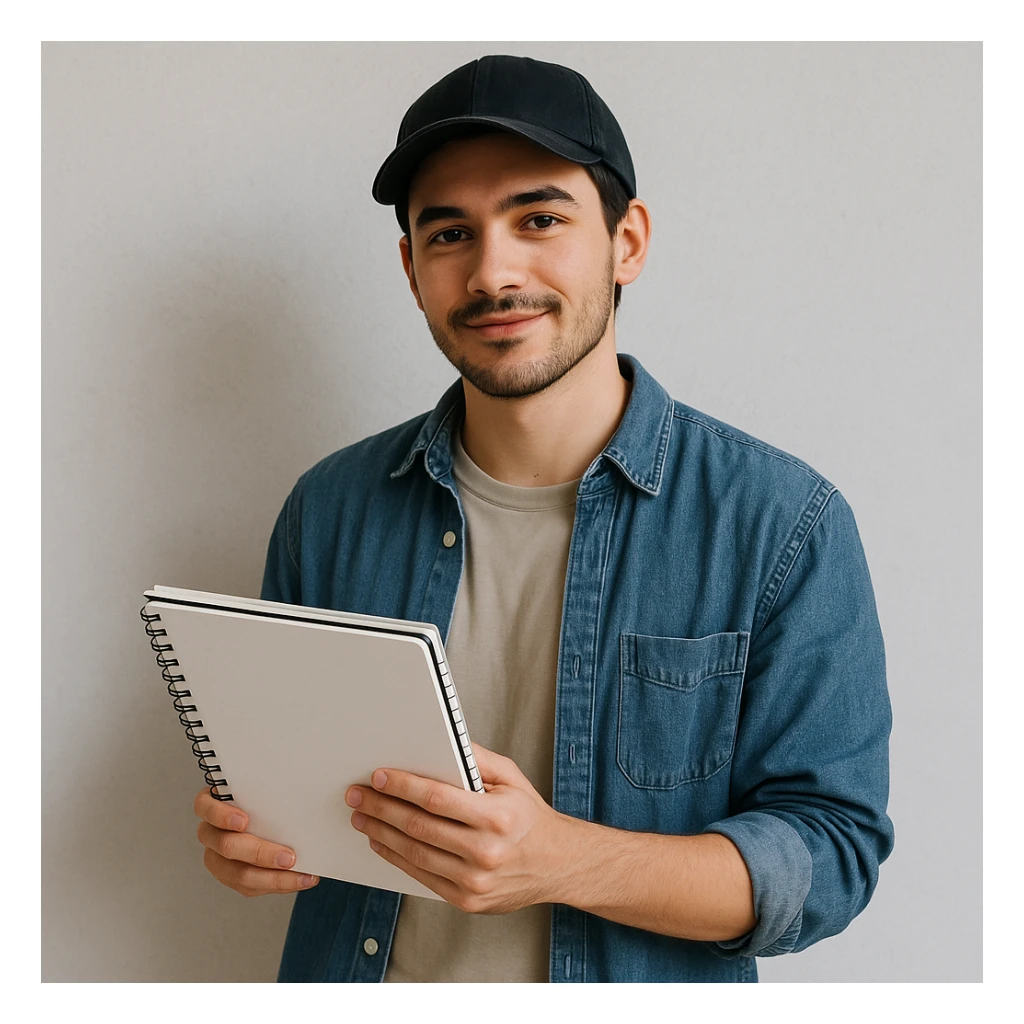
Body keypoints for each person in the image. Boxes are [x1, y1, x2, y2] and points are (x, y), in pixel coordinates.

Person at [192, 54, 895, 983]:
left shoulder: (782, 524)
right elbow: (291, 793)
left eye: (539, 219)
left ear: (627, 241)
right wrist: (250, 839)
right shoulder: (330, 509)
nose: (493, 272)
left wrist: (559, 859)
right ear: (411, 268)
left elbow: (831, 858)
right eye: (450, 233)